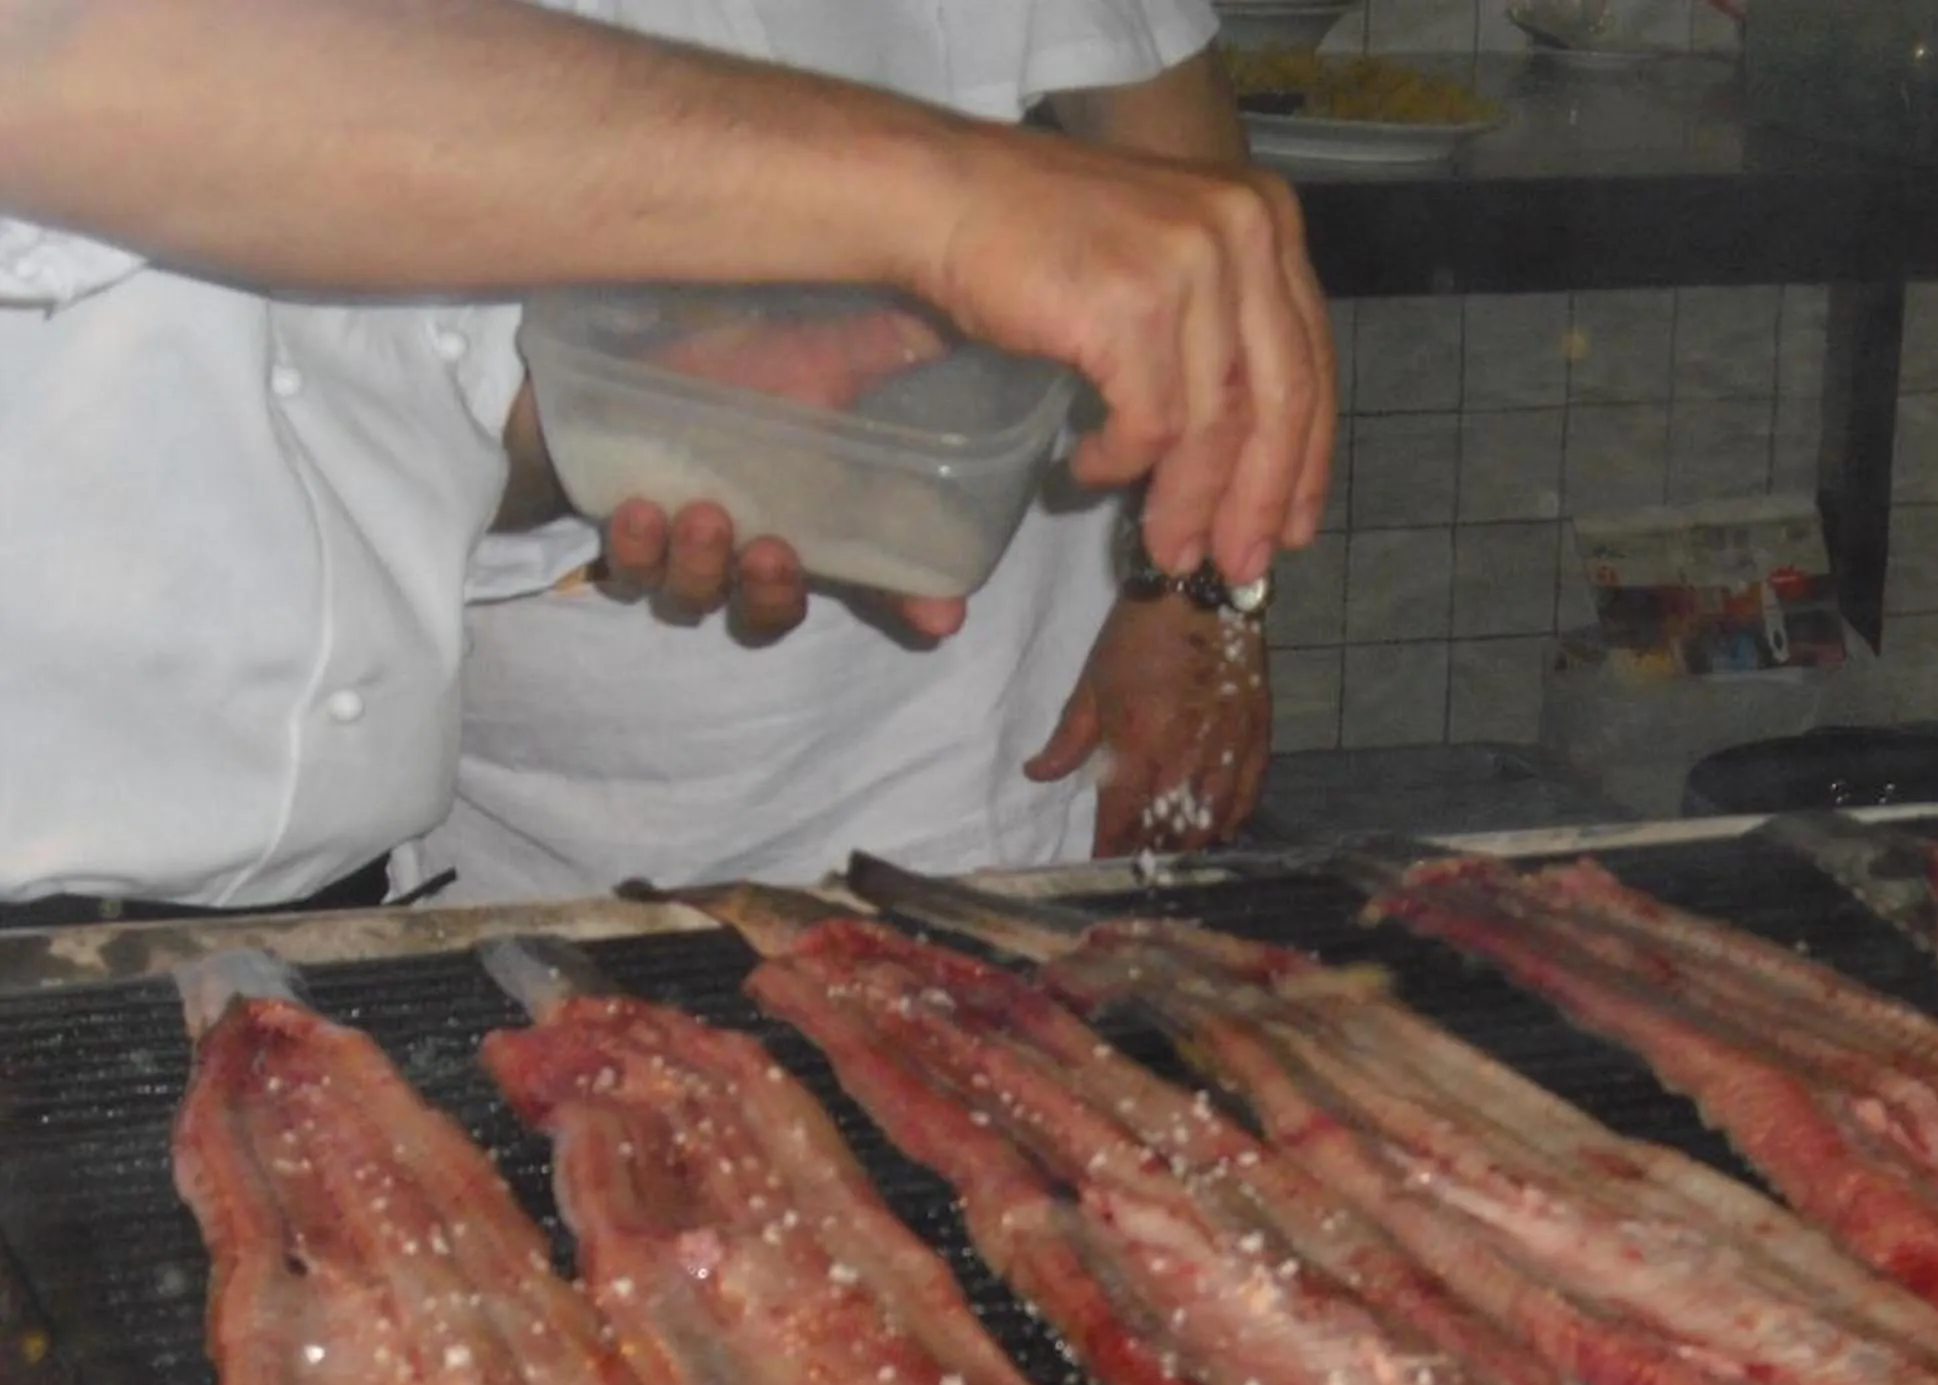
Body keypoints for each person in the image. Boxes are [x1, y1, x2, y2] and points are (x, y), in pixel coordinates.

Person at [0, 0, 1331, 910]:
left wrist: (655, 426)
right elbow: (78, 61)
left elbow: (397, 416)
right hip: (483, 833)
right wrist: (944, 199)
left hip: (341, 904)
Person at [424, 0, 1271, 901]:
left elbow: (1184, 187)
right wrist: (614, 450)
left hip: (961, 747)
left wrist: (1197, 593)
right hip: (519, 798)